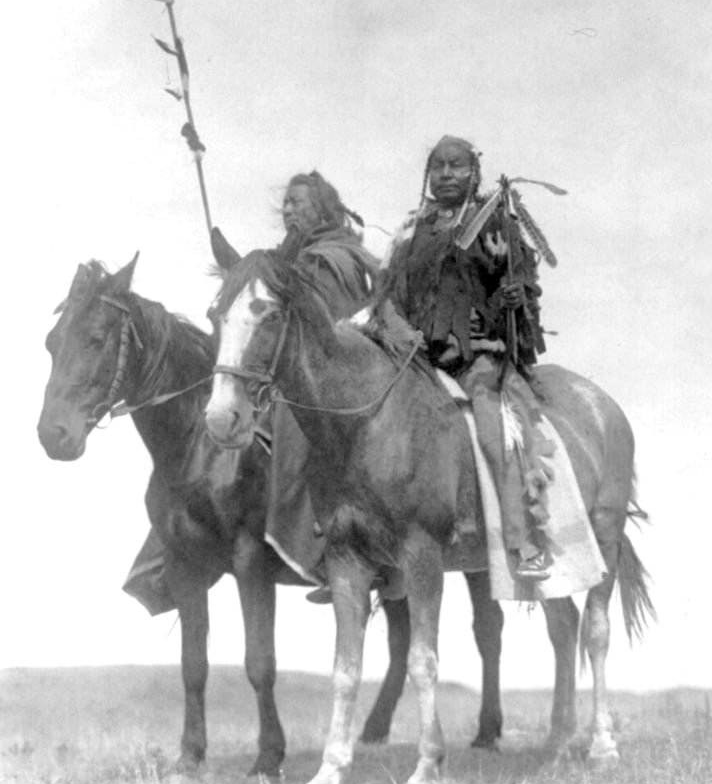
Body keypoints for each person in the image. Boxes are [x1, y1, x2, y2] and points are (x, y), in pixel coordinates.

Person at [124, 170, 378, 612]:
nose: (289, 209)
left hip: (328, 374)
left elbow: (330, 321)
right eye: (286, 203)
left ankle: (327, 547)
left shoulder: (340, 255)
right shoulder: (281, 259)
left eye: (299, 202)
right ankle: (174, 543)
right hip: (275, 372)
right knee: (202, 436)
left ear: (325, 207)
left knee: (296, 431)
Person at [378, 135, 553, 581]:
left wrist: (512, 299)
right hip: (418, 355)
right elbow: (390, 296)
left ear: (473, 171)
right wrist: (402, 333)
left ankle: (521, 540)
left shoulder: (493, 222)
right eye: (438, 166)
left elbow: (521, 285)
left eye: (456, 166)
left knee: (493, 430)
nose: (447, 174)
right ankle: (372, 551)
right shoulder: (411, 232)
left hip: (476, 355)